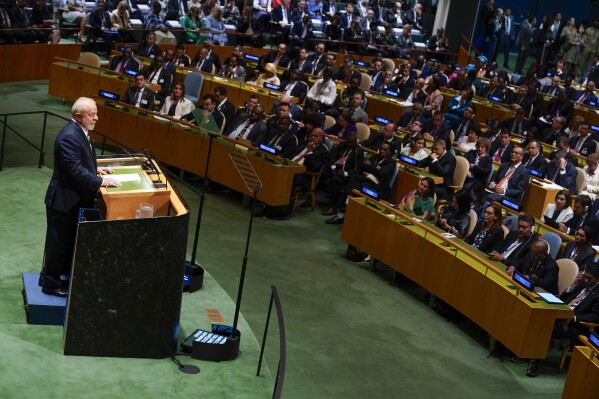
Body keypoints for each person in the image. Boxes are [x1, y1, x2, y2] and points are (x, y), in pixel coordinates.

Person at [40, 97, 121, 297]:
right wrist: (100, 182)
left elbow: (80, 160)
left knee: (65, 242)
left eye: (95, 113)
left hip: (74, 199)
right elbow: (74, 170)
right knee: (58, 243)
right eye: (91, 115)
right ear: (78, 116)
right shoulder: (69, 136)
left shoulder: (80, 132)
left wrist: (97, 168)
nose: (96, 118)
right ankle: (50, 283)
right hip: (64, 200)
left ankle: (54, 276)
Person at [524, 262, 599, 377]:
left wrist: (572, 317)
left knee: (547, 328)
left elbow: (595, 317)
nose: (587, 281)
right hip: (561, 316)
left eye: (590, 279)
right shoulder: (582, 283)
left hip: (577, 326)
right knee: (538, 317)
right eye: (585, 277)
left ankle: (535, 361)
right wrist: (572, 286)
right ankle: (528, 351)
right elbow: (563, 299)